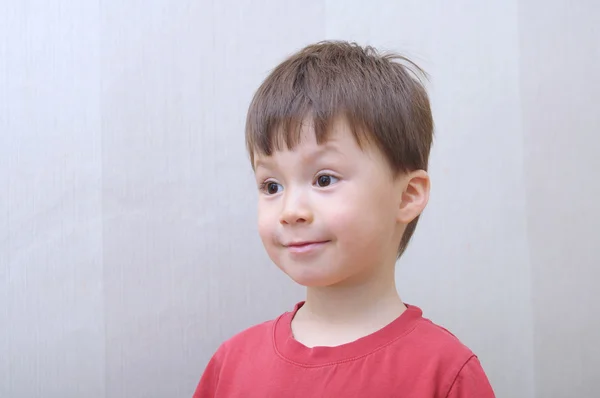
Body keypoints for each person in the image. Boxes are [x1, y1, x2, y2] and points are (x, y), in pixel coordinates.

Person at [193, 40, 495, 397]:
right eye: (271, 185)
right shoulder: (232, 364)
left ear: (408, 195)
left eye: (324, 179)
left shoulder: (445, 374)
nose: (290, 211)